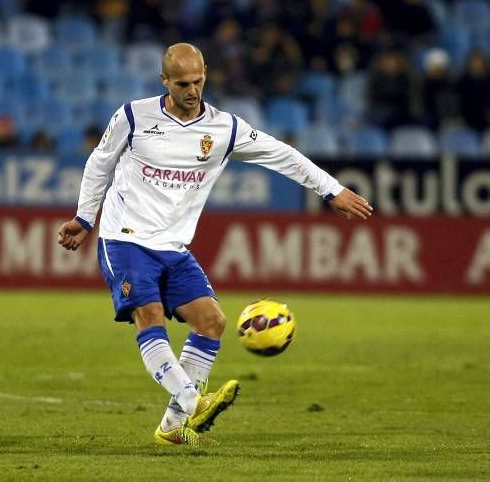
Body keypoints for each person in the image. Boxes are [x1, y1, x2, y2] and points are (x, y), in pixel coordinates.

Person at [58, 43, 372, 447]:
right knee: (149, 315)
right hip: (125, 238)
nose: (192, 91)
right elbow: (99, 162)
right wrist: (85, 218)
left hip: (173, 245)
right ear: (165, 81)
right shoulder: (134, 116)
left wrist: (331, 191)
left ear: (206, 73)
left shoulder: (226, 129)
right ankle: (191, 400)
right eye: (183, 84)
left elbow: (283, 155)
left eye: (198, 81)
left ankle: (172, 426)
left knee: (212, 322)